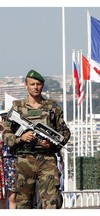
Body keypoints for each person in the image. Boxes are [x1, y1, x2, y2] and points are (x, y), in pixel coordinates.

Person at [2, 69, 71, 209]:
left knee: (51, 200)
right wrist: (21, 138)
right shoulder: (17, 107)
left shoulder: (52, 107)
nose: (35, 87)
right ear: (26, 85)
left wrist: (52, 144)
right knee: (23, 201)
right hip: (24, 159)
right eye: (32, 84)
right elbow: (6, 134)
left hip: (47, 159)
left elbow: (64, 132)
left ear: (43, 86)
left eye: (38, 84)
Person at [0, 111, 17, 209]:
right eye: (3, 119)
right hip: (2, 164)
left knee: (12, 197)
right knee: (2, 197)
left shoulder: (15, 132)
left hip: (12, 164)